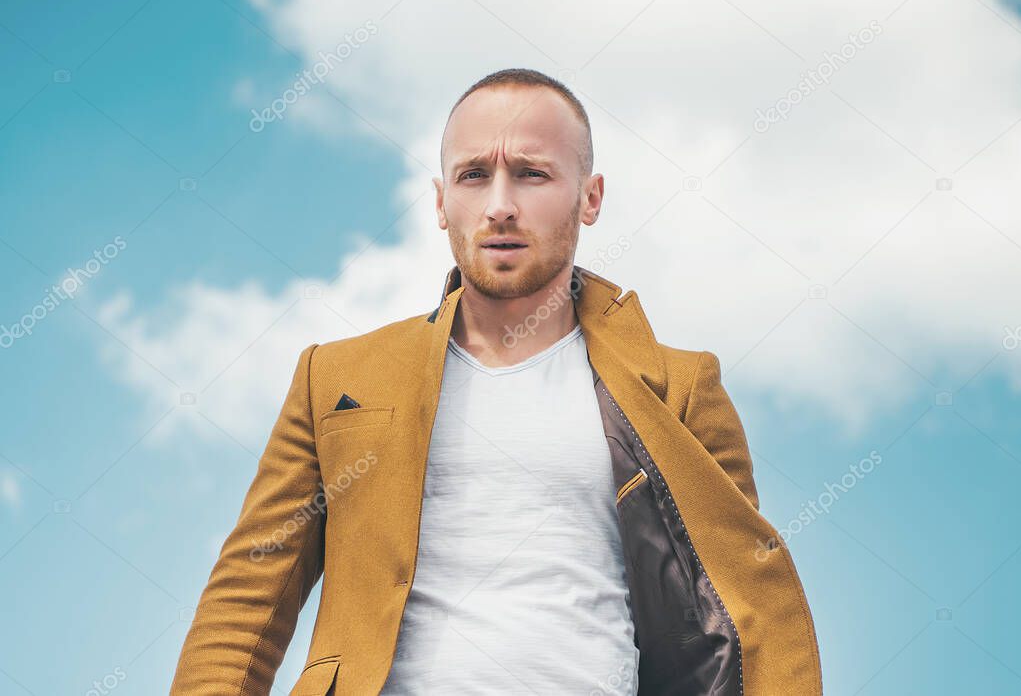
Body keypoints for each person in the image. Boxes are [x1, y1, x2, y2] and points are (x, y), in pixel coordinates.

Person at [170, 68, 822, 695]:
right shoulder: (335, 377)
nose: (501, 206)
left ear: (590, 197)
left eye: (532, 174)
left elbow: (743, 611)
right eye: (475, 175)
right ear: (441, 201)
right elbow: (246, 601)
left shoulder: (682, 388)